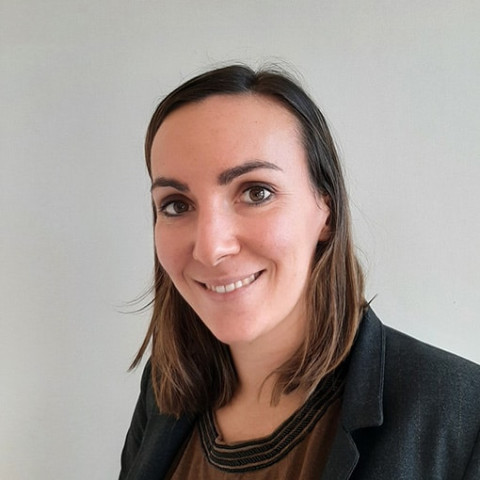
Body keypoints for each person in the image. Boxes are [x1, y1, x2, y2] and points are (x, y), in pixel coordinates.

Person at [119, 65, 480, 480]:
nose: (211, 248)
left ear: (326, 210)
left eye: (256, 192)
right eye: (176, 205)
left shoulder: (462, 415)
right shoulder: (162, 391)